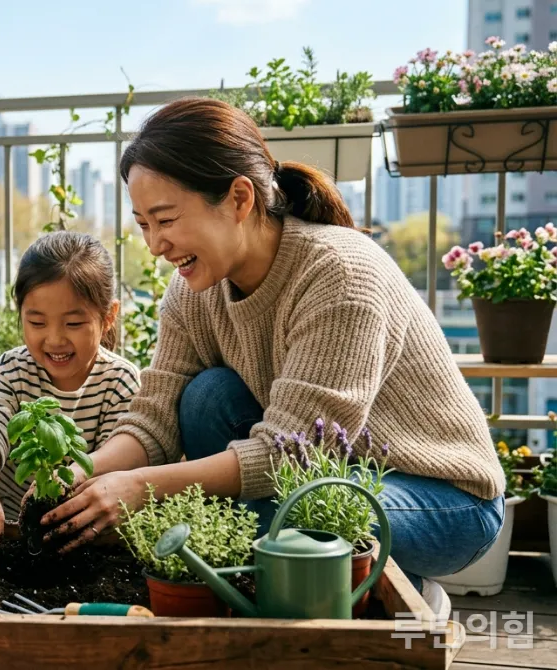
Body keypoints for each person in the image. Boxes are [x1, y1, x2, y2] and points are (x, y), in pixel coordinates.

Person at [39, 97, 505, 615]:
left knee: (298, 509)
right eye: (143, 224)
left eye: (165, 219)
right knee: (205, 397)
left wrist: (140, 487)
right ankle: (329, 571)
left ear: (239, 198)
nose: (154, 245)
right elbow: (156, 415)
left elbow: (291, 454)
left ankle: (400, 585)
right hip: (316, 472)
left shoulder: (340, 275)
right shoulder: (194, 289)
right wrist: (89, 473)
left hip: (443, 498)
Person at [0, 231, 139, 553]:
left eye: (73, 324)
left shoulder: (119, 381)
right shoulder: (12, 370)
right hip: (6, 530)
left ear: (108, 316)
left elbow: (116, 465)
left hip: (83, 535)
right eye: (37, 323)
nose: (54, 340)